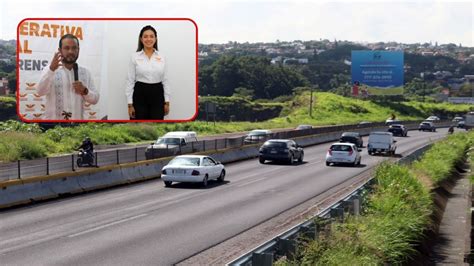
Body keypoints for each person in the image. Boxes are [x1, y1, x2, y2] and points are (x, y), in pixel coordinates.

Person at [36, 34, 100, 120]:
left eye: (74, 48)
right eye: (66, 48)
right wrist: (51, 70)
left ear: (78, 50)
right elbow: (40, 92)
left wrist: (85, 91)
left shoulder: (85, 72)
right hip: (54, 126)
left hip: (78, 126)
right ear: (60, 50)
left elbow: (95, 99)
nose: (71, 51)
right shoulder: (49, 70)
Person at [125, 25, 170, 120]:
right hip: (139, 94)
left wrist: (167, 101)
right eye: (145, 36)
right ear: (141, 39)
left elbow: (165, 80)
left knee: (157, 126)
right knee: (139, 126)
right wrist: (130, 104)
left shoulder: (162, 57)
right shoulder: (134, 56)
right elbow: (130, 81)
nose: (148, 39)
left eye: (151, 36)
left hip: (158, 94)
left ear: (155, 39)